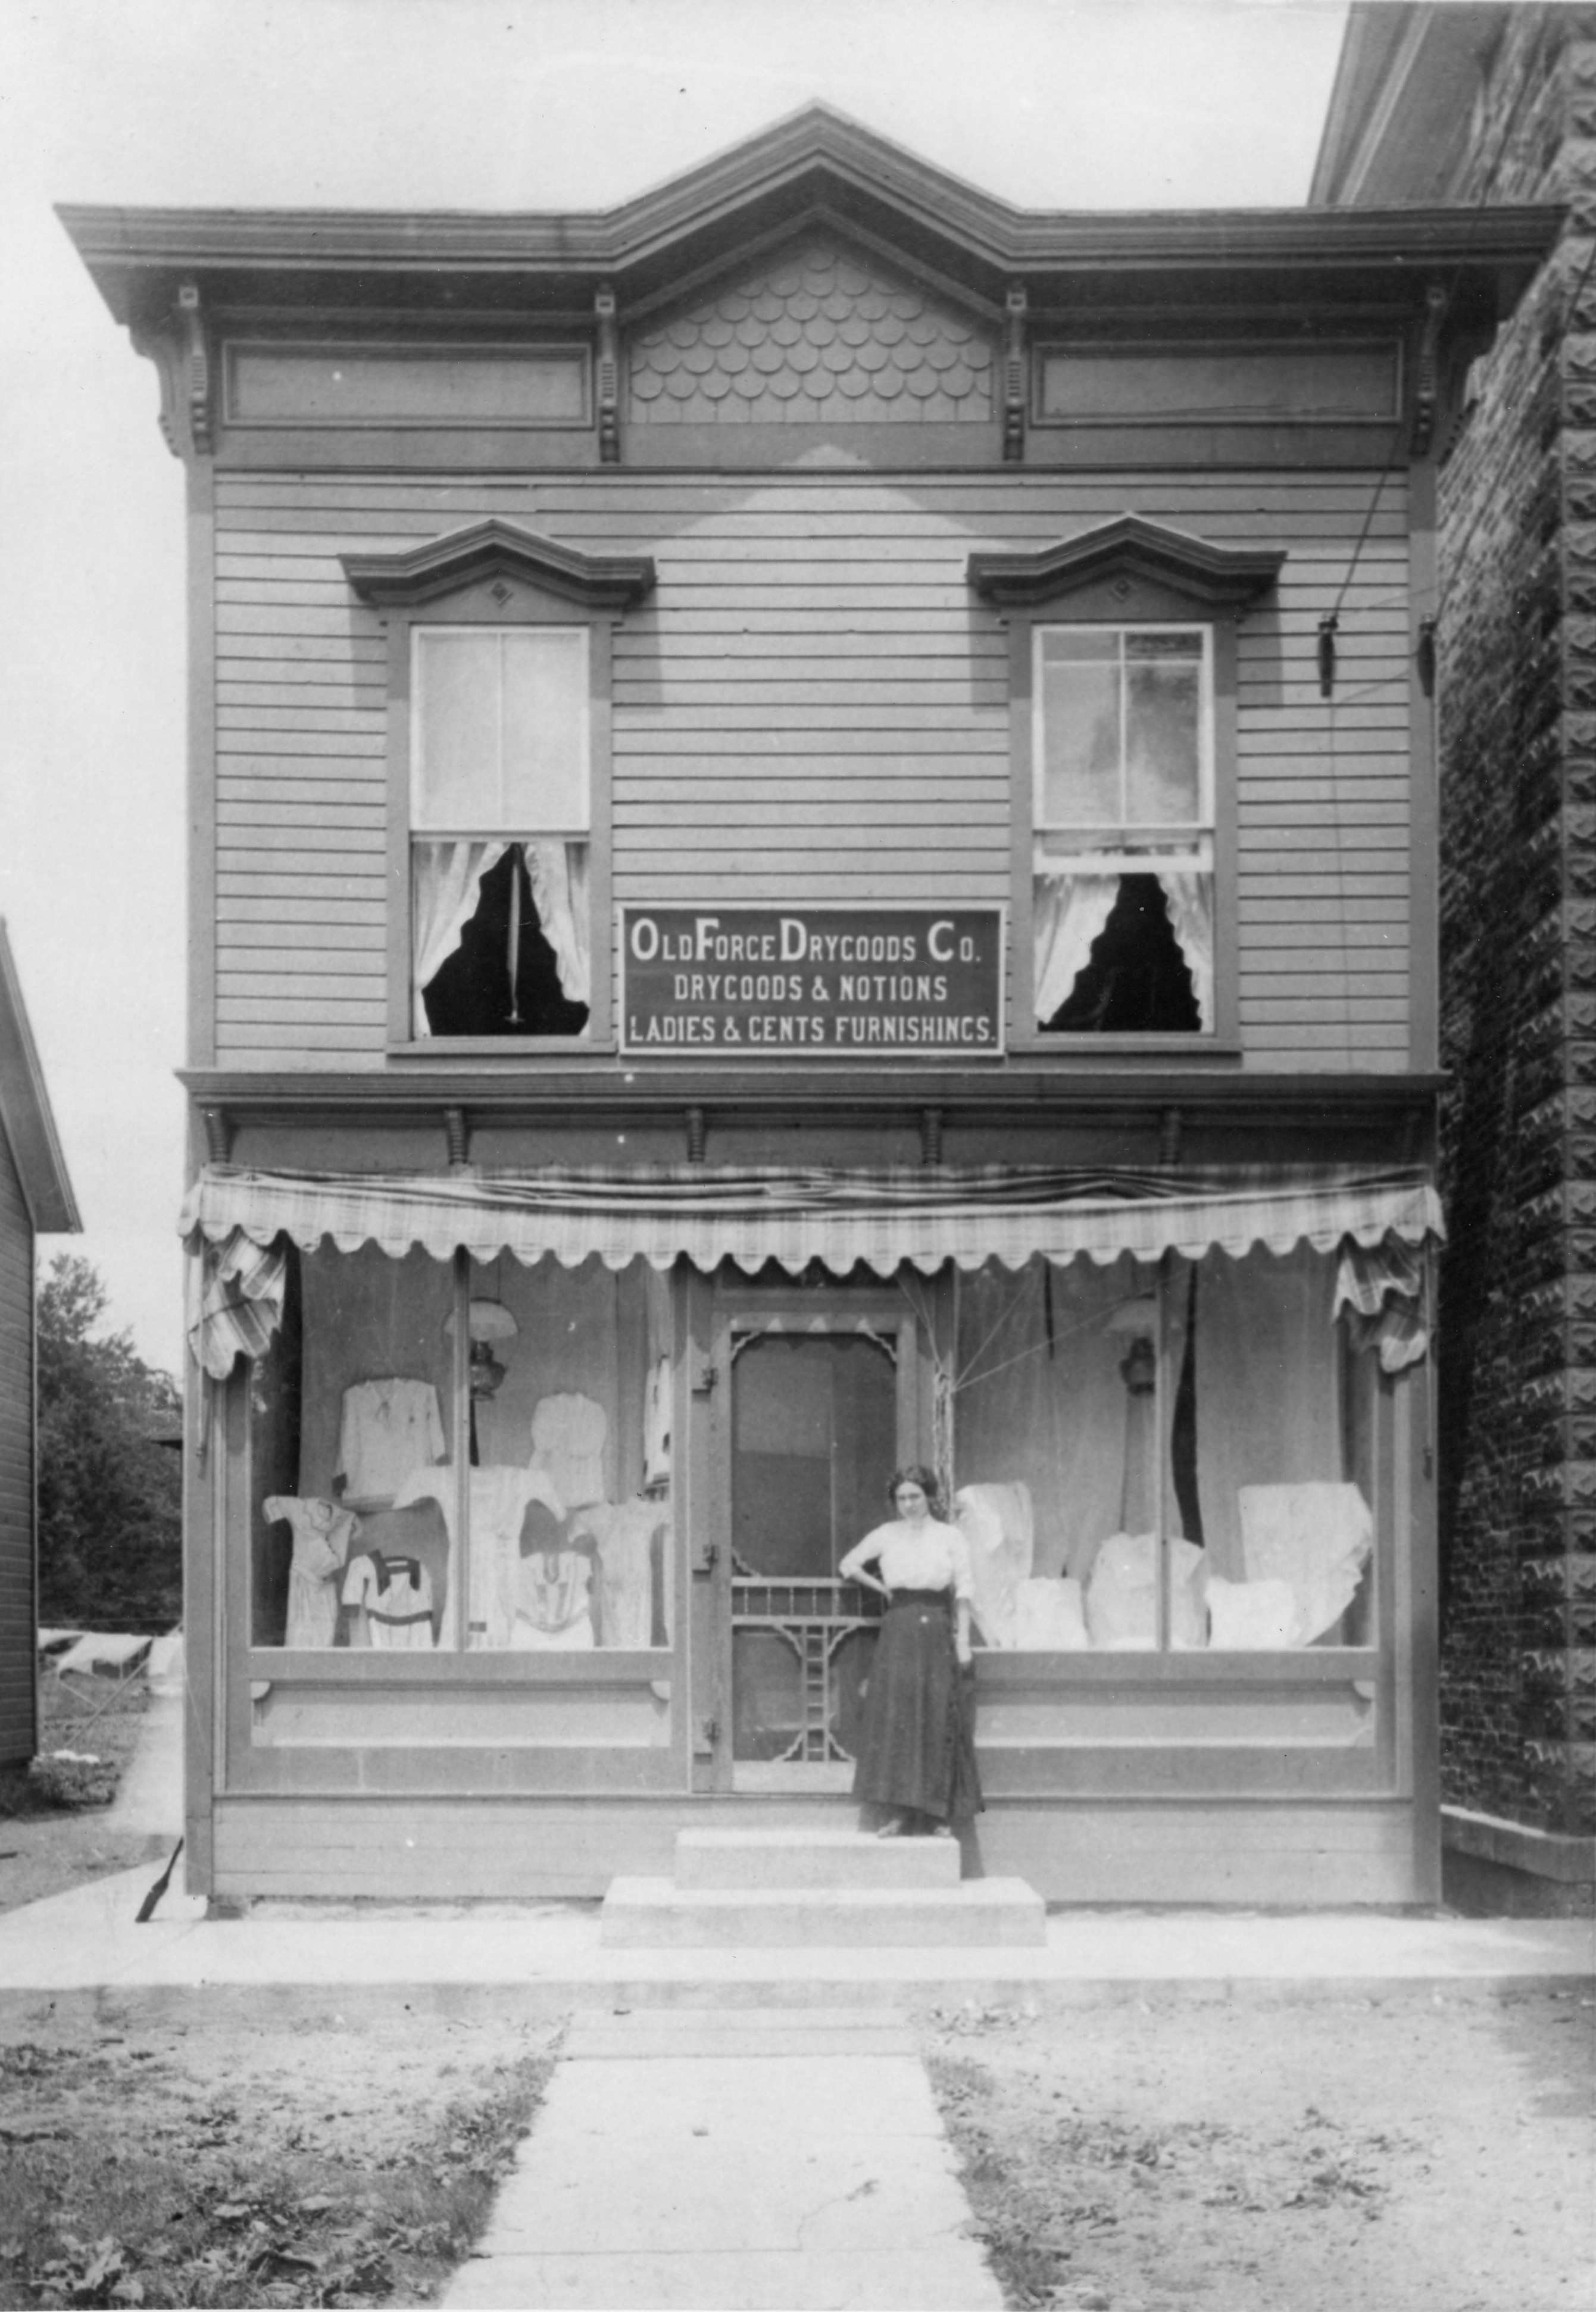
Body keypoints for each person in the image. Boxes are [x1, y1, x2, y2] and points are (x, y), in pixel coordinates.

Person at [838, 1465, 983, 1838]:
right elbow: (848, 1564)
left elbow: (965, 1589)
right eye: (902, 1498)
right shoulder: (887, 1534)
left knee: (936, 1715)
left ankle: (937, 1815)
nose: (909, 1504)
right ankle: (900, 1814)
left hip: (936, 1627)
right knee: (900, 1719)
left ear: (929, 1497)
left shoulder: (950, 1537)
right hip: (899, 1628)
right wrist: (883, 1589)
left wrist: (963, 1640)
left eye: (915, 1496)